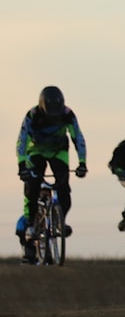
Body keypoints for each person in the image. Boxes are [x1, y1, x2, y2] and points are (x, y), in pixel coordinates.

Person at [16, 85, 88, 241]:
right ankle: (31, 222)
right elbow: (22, 141)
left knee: (64, 190)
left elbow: (78, 137)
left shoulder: (68, 115)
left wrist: (82, 163)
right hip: (36, 151)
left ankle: (59, 220)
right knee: (32, 186)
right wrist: (22, 165)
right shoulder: (32, 115)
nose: (54, 119)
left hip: (59, 152)